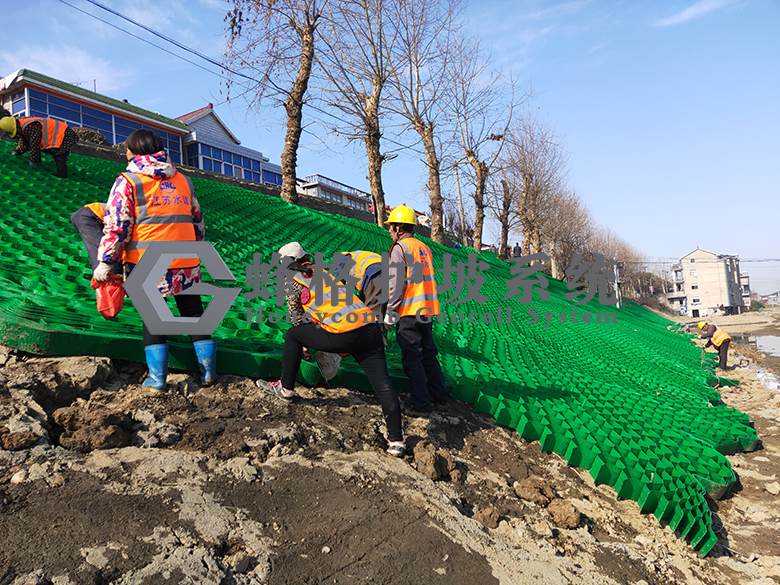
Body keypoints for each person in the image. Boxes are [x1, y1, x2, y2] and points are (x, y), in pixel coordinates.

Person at [92, 129, 218, 390]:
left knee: (153, 318)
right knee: (194, 313)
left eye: (126, 148)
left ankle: (157, 380)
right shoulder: (183, 180)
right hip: (186, 260)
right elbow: (198, 221)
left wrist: (106, 261)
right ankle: (208, 374)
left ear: (134, 151)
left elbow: (118, 226)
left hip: (146, 263)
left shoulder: (128, 181)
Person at [257, 242, 405, 457]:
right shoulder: (323, 273)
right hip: (370, 327)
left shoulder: (293, 281)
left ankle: (285, 388)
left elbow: (297, 319)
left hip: (345, 333)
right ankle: (396, 441)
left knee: (293, 336)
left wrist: (305, 343)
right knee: (383, 385)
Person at [385, 204, 450, 417]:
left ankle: (420, 404)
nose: (389, 231)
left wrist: (391, 312)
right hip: (427, 309)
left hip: (409, 311)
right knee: (429, 354)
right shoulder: (424, 248)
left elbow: (397, 284)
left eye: (391, 226)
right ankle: (440, 398)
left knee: (413, 358)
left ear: (400, 227)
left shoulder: (399, 249)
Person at [0, 116, 77, 178]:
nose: (17, 134)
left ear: (17, 126)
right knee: (41, 150)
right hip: (62, 134)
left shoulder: (30, 127)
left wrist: (33, 161)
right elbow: (24, 142)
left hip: (65, 134)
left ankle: (62, 175)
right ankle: (39, 161)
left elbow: (34, 145)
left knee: (59, 155)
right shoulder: (24, 126)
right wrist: (17, 151)